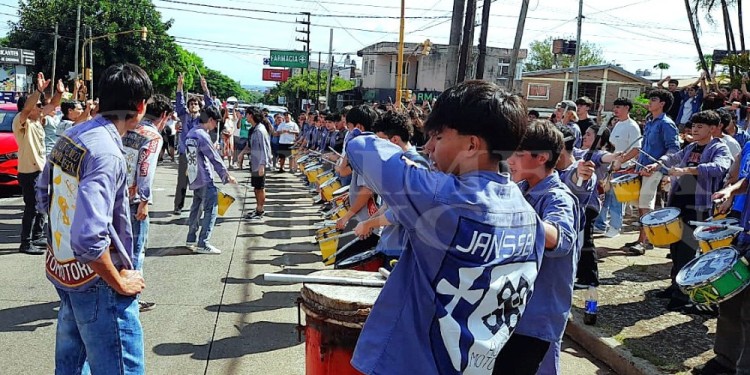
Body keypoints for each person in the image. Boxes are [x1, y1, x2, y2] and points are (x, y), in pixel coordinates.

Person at [347, 80, 546, 374]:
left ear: (471, 145)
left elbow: (360, 146)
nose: (427, 148)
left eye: (437, 137)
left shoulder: (439, 197)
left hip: (412, 363)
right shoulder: (530, 217)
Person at [35, 63, 151, 374]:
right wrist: (119, 281)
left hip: (64, 269)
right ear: (140, 107)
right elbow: (89, 237)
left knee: (72, 365)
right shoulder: (107, 153)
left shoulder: (71, 135)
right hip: (97, 279)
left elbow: (42, 193)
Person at [500, 120, 583, 375]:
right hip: (511, 310)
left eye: (518, 154)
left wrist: (517, 209)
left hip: (537, 315)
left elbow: (561, 240)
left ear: (542, 158)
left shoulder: (557, 197)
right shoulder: (520, 190)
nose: (510, 160)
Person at [642, 110, 732, 314]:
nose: (695, 130)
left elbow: (719, 168)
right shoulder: (691, 146)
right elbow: (674, 158)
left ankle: (683, 296)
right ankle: (675, 286)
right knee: (674, 248)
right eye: (694, 126)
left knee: (687, 250)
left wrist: (688, 170)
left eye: (701, 127)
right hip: (678, 204)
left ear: (713, 128)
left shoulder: (719, 148)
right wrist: (656, 165)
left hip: (697, 206)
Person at [122, 94, 170, 311]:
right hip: (134, 199)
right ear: (164, 116)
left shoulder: (128, 128)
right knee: (136, 249)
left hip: (116, 195)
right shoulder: (152, 136)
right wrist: (145, 200)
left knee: (119, 247)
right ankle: (131, 297)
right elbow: (145, 169)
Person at [13, 73, 64, 254]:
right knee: (31, 208)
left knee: (42, 205)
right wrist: (38, 90)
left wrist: (59, 93)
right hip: (29, 172)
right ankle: (25, 242)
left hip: (41, 170)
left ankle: (37, 236)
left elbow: (54, 104)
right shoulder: (22, 121)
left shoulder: (37, 121)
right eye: (39, 105)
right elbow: (27, 108)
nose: (42, 107)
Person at [629, 89, 680, 255]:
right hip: (643, 168)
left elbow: (674, 149)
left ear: (662, 104)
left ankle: (643, 242)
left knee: (646, 205)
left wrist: (658, 165)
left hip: (655, 170)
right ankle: (643, 239)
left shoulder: (667, 123)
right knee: (641, 205)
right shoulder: (650, 121)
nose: (649, 102)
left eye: (654, 99)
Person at [185, 106, 237, 254]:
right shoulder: (202, 135)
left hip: (194, 176)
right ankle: (203, 243)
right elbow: (214, 157)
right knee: (211, 209)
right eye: (216, 122)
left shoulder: (191, 133)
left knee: (196, 208)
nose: (216, 126)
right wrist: (226, 175)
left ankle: (191, 238)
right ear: (211, 120)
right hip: (204, 177)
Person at [594, 97, 642, 238]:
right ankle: (601, 225)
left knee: (617, 200)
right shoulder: (617, 124)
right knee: (605, 197)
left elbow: (636, 149)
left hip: (623, 169)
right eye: (615, 107)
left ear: (627, 108)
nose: (615, 110)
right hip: (610, 168)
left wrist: (621, 161)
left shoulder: (632, 126)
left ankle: (615, 227)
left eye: (619, 107)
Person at [173, 73, 213, 215]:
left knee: (199, 181)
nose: (193, 105)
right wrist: (180, 85)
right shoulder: (183, 116)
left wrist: (205, 88)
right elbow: (179, 102)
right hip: (185, 153)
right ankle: (178, 206)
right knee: (182, 181)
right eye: (191, 104)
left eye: (195, 103)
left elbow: (211, 106)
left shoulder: (202, 118)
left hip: (199, 155)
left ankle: (199, 206)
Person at [244, 107, 273, 221]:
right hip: (254, 162)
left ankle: (260, 211)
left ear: (251, 115)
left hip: (259, 163)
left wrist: (262, 164)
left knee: (260, 188)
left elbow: (266, 148)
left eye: (246, 114)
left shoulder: (260, 130)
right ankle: (257, 209)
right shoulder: (254, 129)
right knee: (256, 188)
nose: (246, 117)